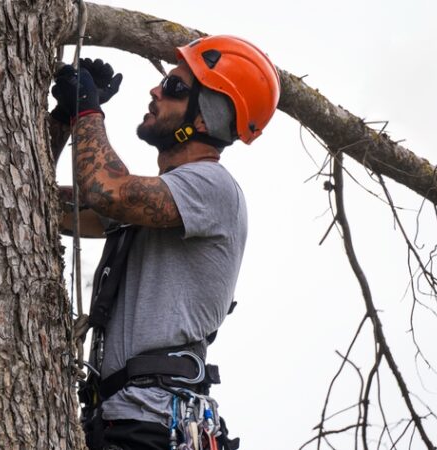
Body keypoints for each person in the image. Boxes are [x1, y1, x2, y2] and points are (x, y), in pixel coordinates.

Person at [48, 35, 281, 450]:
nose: (155, 91)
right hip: (119, 422)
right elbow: (31, 202)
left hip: (152, 426)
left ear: (205, 118)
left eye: (174, 87)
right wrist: (64, 119)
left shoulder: (212, 188)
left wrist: (86, 109)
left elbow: (105, 190)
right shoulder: (158, 204)